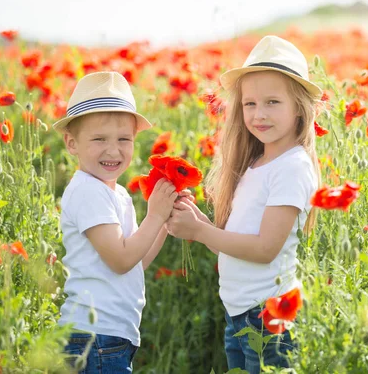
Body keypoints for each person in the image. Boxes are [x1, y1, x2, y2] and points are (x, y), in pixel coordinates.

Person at [166, 35, 322, 373]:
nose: (258, 114)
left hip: (269, 317)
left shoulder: (292, 167)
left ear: (299, 108)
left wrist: (201, 232)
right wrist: (200, 226)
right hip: (239, 312)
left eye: (272, 102)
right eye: (250, 104)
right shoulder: (255, 166)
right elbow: (235, 247)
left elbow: (265, 249)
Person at [53, 71, 180, 373]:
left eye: (124, 139)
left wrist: (163, 222)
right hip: (93, 336)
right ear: (72, 143)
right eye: (99, 139)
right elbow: (121, 259)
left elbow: (136, 260)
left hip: (110, 337)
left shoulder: (117, 193)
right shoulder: (87, 191)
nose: (113, 150)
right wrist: (155, 215)